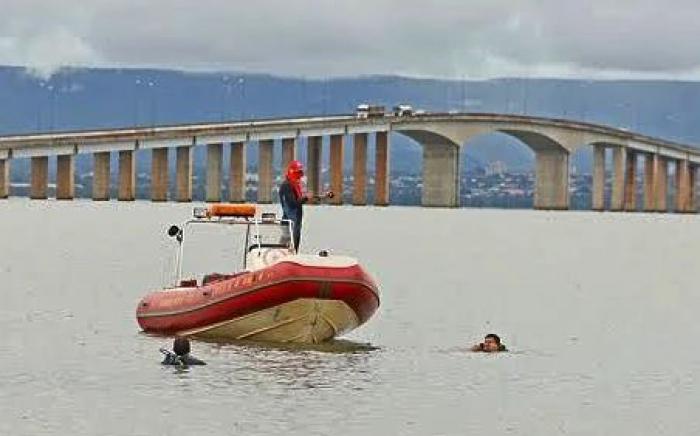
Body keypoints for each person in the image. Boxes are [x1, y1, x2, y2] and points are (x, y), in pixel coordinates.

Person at [279, 160, 309, 252]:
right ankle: (285, 257)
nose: (299, 176)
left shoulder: (293, 185)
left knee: (291, 243)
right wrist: (304, 199)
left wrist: (304, 198)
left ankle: (291, 255)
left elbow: (295, 202)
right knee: (289, 242)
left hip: (292, 221)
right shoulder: (287, 186)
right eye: (298, 173)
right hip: (290, 222)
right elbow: (292, 204)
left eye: (300, 173)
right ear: (292, 173)